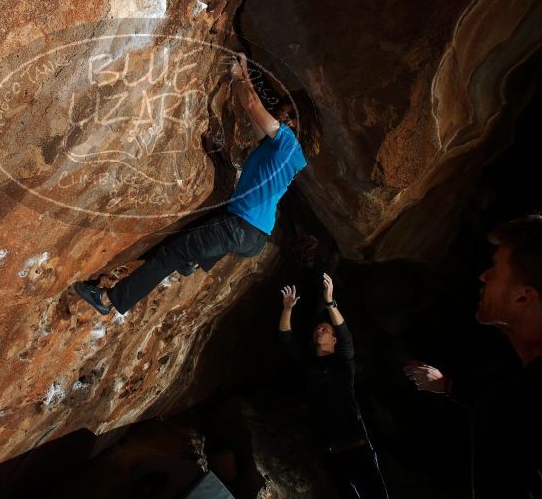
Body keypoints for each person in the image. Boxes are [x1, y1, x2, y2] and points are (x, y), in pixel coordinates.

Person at [74, 52, 307, 316]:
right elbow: (256, 116)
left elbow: (253, 106)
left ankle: (108, 299)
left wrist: (240, 77)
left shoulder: (287, 141)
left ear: (295, 123)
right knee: (203, 227)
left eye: (285, 113)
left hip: (240, 227)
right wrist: (244, 78)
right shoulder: (287, 152)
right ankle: (193, 260)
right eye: (280, 110)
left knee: (170, 254)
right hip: (254, 235)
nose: (280, 115)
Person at [403, 215, 542, 498]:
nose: (484, 275)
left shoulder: (507, 408)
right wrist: (448, 387)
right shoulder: (513, 400)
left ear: (523, 297)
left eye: (495, 268)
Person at [279, 273, 389, 498]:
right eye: (317, 329)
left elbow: (346, 336)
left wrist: (330, 302)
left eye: (325, 330)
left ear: (333, 340)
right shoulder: (309, 363)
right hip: (331, 452)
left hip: (358, 447)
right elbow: (286, 338)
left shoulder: (343, 362)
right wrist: (288, 308)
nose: (319, 330)